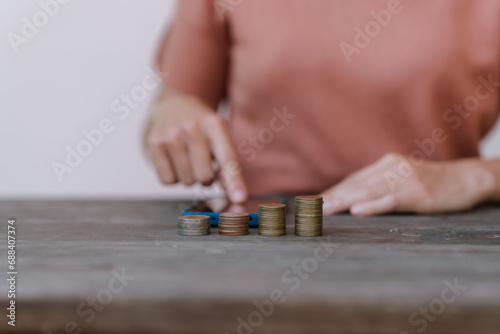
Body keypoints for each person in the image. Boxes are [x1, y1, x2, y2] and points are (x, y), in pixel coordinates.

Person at [146, 0, 500, 216]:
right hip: (258, 244)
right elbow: (177, 102)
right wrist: (174, 111)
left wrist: (476, 178)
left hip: (439, 239)